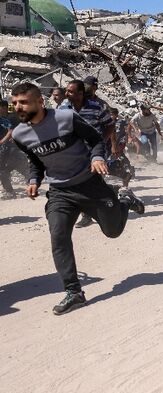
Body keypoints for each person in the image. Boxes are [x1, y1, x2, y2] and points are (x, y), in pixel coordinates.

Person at [10, 82, 145, 315]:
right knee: (59, 236)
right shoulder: (20, 134)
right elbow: (35, 161)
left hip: (90, 185)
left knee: (113, 232)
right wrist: (34, 180)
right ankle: (74, 292)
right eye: (14, 104)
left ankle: (123, 199)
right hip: (61, 193)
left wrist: (96, 158)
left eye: (24, 102)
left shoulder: (66, 118)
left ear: (40, 102)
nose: (18, 108)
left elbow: (95, 140)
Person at [64, 80, 117, 228]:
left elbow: (110, 124)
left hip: (94, 152)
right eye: (66, 91)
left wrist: (101, 140)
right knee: (78, 182)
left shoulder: (96, 107)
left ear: (80, 94)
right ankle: (87, 215)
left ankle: (109, 201)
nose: (66, 94)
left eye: (70, 91)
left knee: (92, 181)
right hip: (74, 153)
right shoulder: (64, 108)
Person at [1, 99, 29, 199]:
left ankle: (10, 191)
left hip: (11, 147)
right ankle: (31, 179)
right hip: (7, 148)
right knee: (13, 167)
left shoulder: (11, 117)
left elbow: (18, 129)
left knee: (4, 169)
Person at [107, 108, 135, 188]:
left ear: (116, 115)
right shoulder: (107, 122)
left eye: (112, 114)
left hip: (120, 141)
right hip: (111, 143)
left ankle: (127, 169)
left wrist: (129, 135)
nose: (111, 116)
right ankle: (126, 170)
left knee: (119, 155)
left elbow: (130, 123)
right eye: (110, 114)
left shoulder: (121, 121)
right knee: (116, 156)